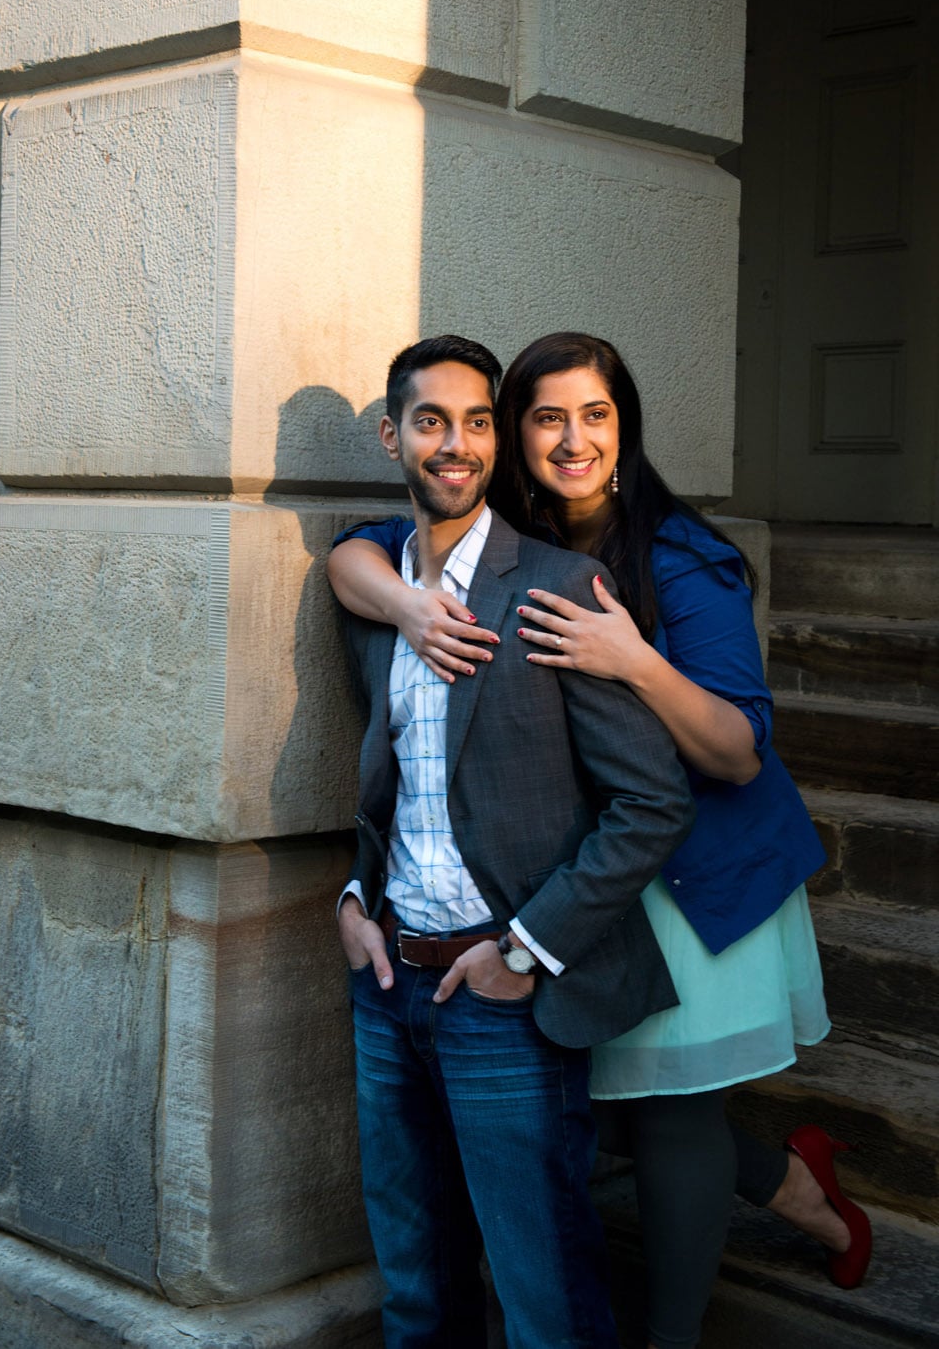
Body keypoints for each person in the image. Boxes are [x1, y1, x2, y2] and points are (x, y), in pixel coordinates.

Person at [328, 331, 873, 1349]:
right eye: (545, 417)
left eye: (596, 416)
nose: (571, 439)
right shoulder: (499, 536)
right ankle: (794, 1179)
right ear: (514, 435)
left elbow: (738, 752)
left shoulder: (680, 558)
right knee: (592, 1096)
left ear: (625, 428)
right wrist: (409, 605)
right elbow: (356, 551)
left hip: (696, 874)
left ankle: (675, 1328)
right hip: (569, 869)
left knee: (663, 1114)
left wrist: (633, 660)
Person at [336, 334, 696, 1349]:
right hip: (387, 987)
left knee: (544, 1299)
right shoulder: (376, 604)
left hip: (504, 997)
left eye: (479, 421)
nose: (456, 445)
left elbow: (651, 804)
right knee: (415, 1288)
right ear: (391, 437)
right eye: (432, 421)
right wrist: (354, 899)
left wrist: (526, 950)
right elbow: (390, 781)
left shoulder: (555, 587)